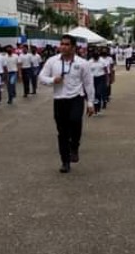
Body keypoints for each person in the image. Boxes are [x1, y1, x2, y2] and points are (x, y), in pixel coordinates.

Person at [38, 34, 96, 173]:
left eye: (66, 44)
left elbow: (88, 84)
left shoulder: (82, 63)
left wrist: (90, 103)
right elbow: (41, 77)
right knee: (62, 132)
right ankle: (65, 161)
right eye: (62, 44)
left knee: (75, 122)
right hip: (59, 99)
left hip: (76, 98)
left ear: (74, 47)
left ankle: (74, 146)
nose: (63, 47)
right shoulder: (52, 61)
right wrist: (53, 80)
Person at [88, 49, 110, 114]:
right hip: (93, 79)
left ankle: (98, 108)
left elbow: (106, 71)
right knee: (94, 93)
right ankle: (96, 108)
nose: (96, 59)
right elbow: (87, 72)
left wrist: (107, 80)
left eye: (97, 57)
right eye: (94, 57)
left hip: (101, 78)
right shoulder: (89, 62)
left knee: (98, 92)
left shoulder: (102, 61)